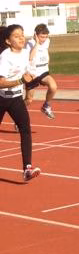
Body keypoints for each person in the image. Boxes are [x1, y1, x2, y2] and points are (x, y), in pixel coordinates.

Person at [0, 25, 40, 181]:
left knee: (25, 131)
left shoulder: (24, 53)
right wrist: (20, 80)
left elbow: (30, 59)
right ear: (8, 41)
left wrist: (37, 44)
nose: (21, 38)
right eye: (16, 36)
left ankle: (27, 169)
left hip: (16, 98)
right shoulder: (5, 56)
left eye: (22, 34)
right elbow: (1, 82)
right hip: (1, 98)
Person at [24, 23, 57, 119]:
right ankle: (18, 116)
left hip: (43, 71)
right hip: (32, 73)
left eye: (46, 37)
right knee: (29, 100)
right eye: (42, 37)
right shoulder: (29, 43)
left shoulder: (47, 41)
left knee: (53, 86)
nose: (44, 39)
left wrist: (48, 64)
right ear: (36, 35)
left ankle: (46, 106)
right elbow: (30, 57)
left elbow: (46, 52)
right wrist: (37, 43)